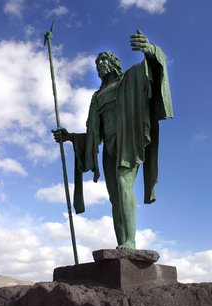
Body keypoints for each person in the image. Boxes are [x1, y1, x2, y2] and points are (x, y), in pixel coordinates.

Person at [53, 30, 173, 250]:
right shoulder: (97, 96)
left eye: (104, 60)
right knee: (114, 197)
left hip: (128, 140)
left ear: (114, 63)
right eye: (97, 63)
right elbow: (93, 134)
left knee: (123, 183)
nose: (100, 65)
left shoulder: (128, 79)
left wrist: (150, 51)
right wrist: (69, 137)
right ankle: (122, 245)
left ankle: (131, 242)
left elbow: (155, 70)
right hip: (109, 145)